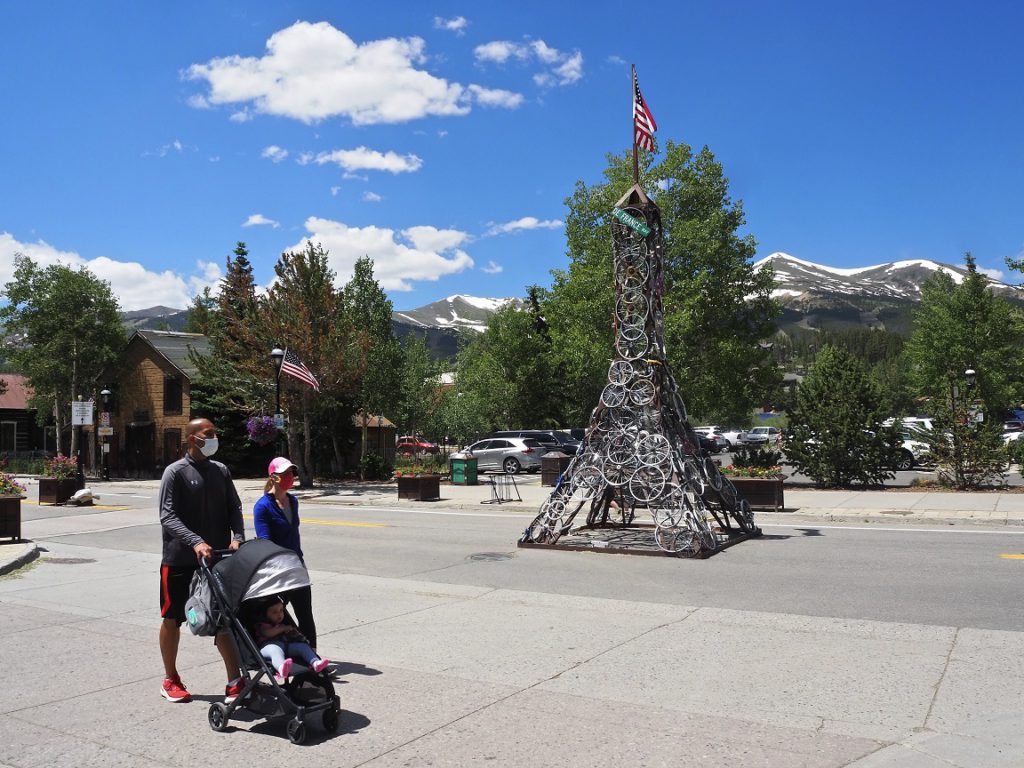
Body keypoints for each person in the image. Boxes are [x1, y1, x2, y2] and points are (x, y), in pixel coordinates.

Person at [158, 417, 246, 703]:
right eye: (209, 434)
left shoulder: (220, 471)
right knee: (173, 618)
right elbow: (167, 516)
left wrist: (238, 536)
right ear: (193, 439)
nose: (214, 438)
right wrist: (195, 541)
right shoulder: (176, 472)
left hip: (217, 559)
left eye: (215, 434)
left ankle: (234, 681)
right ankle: (170, 679)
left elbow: (234, 506)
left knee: (222, 618)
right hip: (180, 560)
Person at [253, 457, 317, 649]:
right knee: (276, 613)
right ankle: (280, 649)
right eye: (286, 474)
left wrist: (298, 563)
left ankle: (313, 657)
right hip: (278, 571)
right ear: (274, 477)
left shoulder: (293, 501)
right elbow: (265, 542)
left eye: (292, 473)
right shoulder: (263, 506)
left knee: (305, 612)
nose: (291, 477)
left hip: (297, 565)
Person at [254, 597, 330, 681]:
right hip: (267, 647)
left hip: (285, 646)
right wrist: (283, 629)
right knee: (275, 651)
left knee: (303, 647)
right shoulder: (263, 625)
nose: (279, 614)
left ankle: (315, 662)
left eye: (281, 610)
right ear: (265, 614)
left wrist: (293, 633)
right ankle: (281, 667)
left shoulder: (282, 624)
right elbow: (267, 633)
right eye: (274, 612)